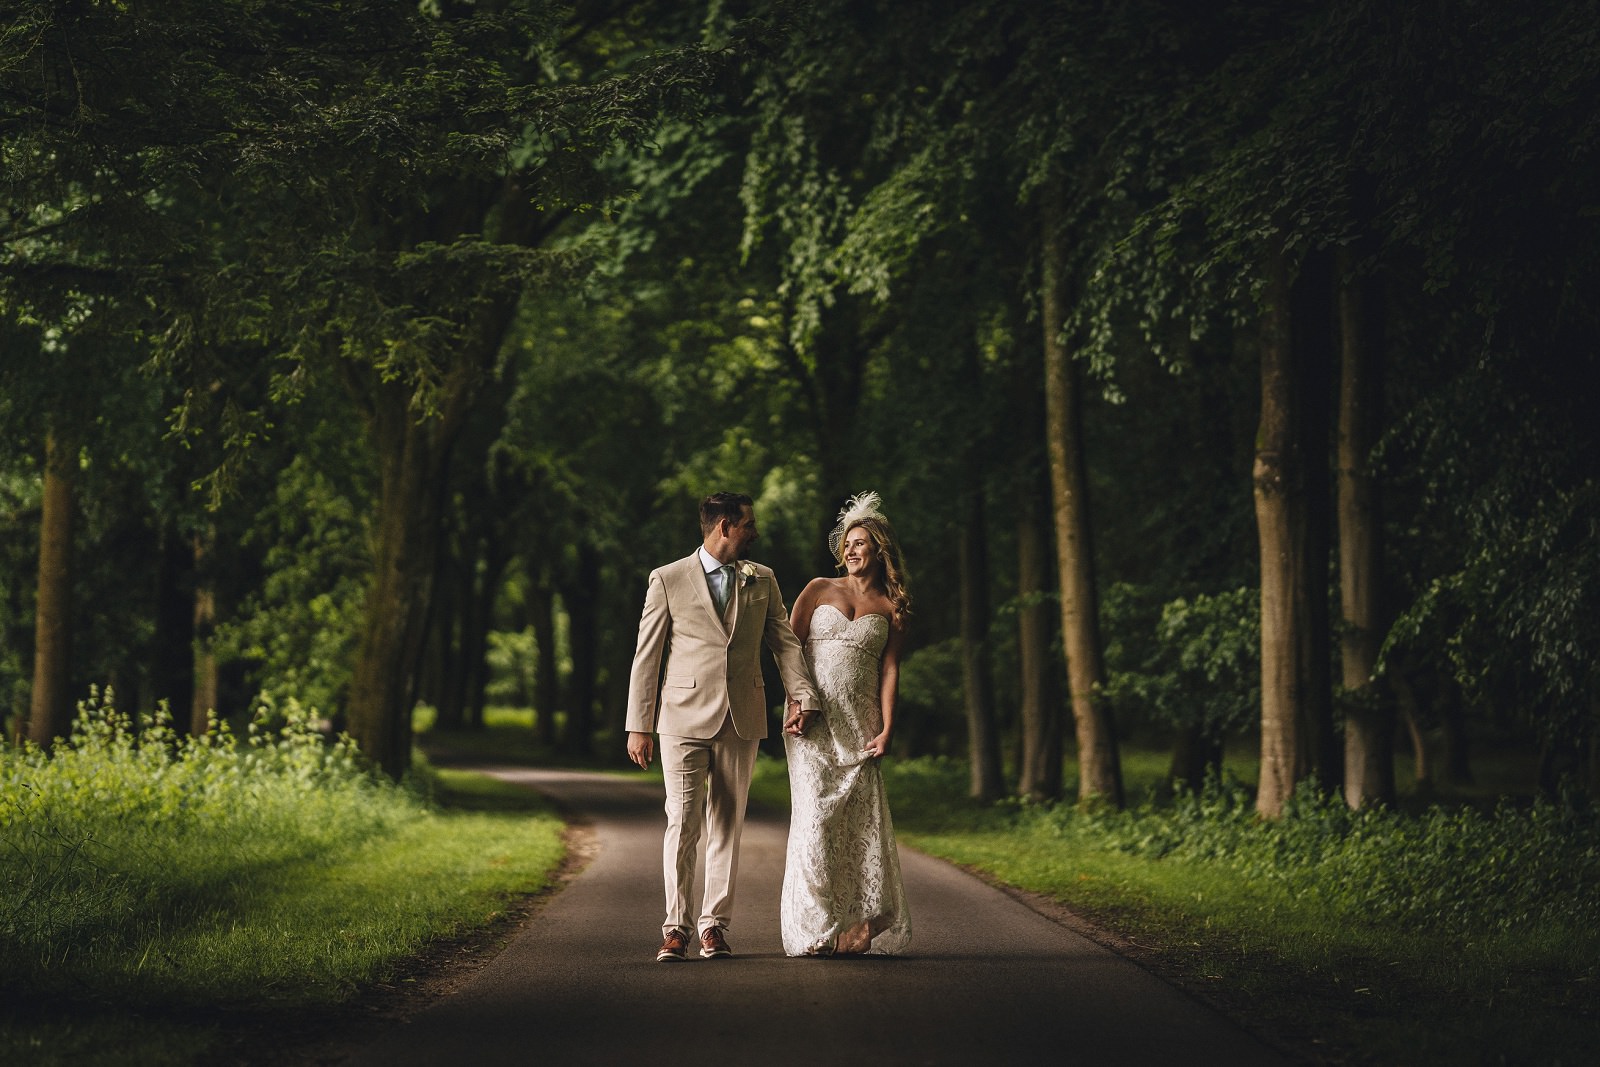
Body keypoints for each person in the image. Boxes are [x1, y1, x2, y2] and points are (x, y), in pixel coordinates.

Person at [625, 492, 820, 963]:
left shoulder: (763, 579)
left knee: (727, 825)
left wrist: (803, 694)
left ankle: (714, 926)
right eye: (748, 523)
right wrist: (639, 724)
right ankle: (676, 928)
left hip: (742, 715)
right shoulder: (668, 579)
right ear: (725, 527)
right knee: (683, 821)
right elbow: (647, 655)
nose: (755, 531)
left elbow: (785, 644)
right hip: (681, 718)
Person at [779, 491, 912, 957]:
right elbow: (787, 650)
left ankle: (858, 925)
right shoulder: (817, 589)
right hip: (811, 722)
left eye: (861, 543)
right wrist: (797, 702)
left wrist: (887, 728)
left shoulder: (892, 606)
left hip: (862, 725)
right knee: (816, 820)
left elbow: (891, 669)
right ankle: (818, 926)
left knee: (858, 825)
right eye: (848, 543)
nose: (851, 550)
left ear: (878, 549)